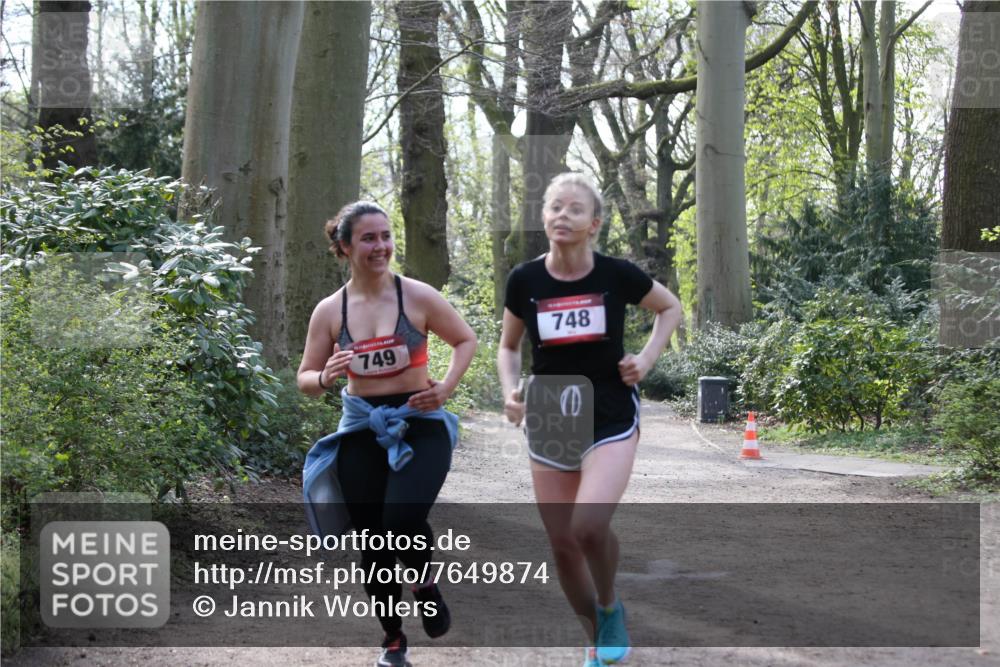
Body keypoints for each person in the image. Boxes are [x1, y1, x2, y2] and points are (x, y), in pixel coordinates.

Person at [497, 173, 681, 666]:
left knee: (589, 526)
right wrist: (510, 391)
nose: (562, 215)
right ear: (543, 217)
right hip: (551, 410)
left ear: (594, 223)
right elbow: (508, 347)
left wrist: (645, 360)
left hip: (610, 409)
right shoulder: (525, 280)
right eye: (554, 207)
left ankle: (609, 605)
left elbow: (670, 308)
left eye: (574, 209)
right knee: (562, 544)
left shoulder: (616, 274)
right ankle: (595, 637)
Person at [298, 201, 477, 667]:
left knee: (400, 520)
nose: (381, 247)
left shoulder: (417, 296)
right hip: (360, 429)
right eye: (368, 238)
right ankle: (393, 638)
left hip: (419, 423)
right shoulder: (329, 310)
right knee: (373, 539)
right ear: (344, 246)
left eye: (386, 236)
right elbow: (305, 379)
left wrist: (446, 388)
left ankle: (423, 584)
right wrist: (325, 376)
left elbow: (465, 339)